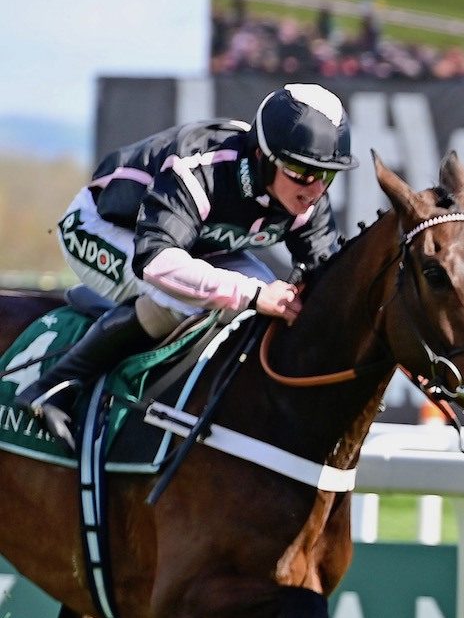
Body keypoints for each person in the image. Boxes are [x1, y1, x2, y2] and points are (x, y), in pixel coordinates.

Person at [19, 83, 356, 447]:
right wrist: (253, 293)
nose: (314, 190)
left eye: (326, 175)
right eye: (300, 172)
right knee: (192, 299)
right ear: (261, 156)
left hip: (195, 245)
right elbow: (156, 261)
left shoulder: (310, 193)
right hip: (105, 229)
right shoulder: (200, 167)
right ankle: (53, 386)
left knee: (265, 303)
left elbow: (329, 278)